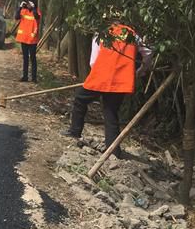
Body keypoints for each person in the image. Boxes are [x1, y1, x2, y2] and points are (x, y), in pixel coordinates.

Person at [62, 22, 152, 157]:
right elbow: (148, 53)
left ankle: (75, 131)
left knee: (80, 99)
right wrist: (139, 71)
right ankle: (114, 151)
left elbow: (93, 61)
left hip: (101, 77)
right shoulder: (133, 35)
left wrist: (97, 74)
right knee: (111, 113)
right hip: (121, 81)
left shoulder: (103, 33)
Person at [15, 0, 41, 82]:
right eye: (28, 3)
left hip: (33, 40)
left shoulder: (37, 12)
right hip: (24, 39)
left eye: (30, 3)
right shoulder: (23, 11)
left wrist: (33, 8)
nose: (28, 5)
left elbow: (37, 17)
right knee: (25, 58)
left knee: (33, 58)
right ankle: (25, 77)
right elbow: (16, 17)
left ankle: (34, 78)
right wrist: (19, 7)